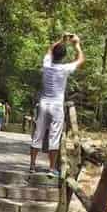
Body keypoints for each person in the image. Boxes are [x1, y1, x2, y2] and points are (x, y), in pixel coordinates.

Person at [29, 33, 85, 174]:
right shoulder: (64, 68)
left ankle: (32, 166)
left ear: (53, 54)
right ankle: (51, 168)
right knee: (55, 135)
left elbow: (49, 49)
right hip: (56, 106)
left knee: (38, 134)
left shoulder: (46, 65)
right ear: (64, 57)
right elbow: (81, 60)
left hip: (43, 104)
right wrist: (76, 44)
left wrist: (62, 39)